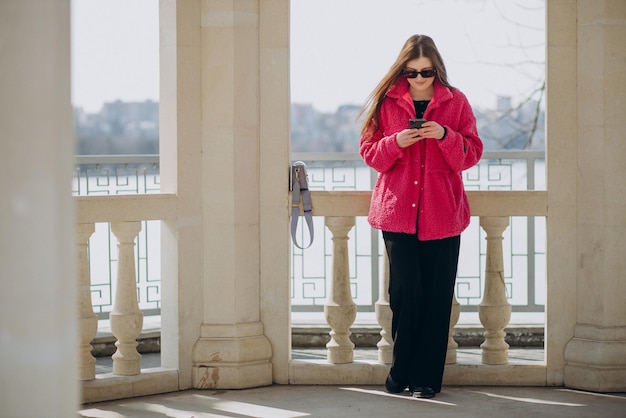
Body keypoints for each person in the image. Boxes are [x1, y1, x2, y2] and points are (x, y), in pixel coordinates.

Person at [359, 34, 483, 399]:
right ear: (402, 69)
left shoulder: (455, 101)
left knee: (437, 296)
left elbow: (471, 153)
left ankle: (427, 379)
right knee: (405, 293)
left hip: (442, 214)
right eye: (411, 72)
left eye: (426, 72)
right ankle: (401, 372)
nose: (419, 79)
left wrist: (444, 134)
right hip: (397, 213)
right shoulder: (386, 102)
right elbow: (370, 154)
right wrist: (396, 141)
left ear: (437, 69)